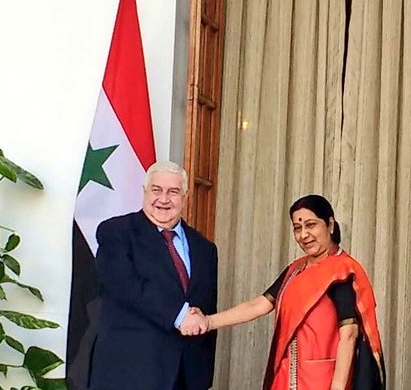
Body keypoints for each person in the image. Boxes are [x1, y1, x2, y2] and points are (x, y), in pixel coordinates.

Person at [186, 194, 385, 390]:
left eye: (311, 225)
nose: (304, 235)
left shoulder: (342, 270)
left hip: (322, 380)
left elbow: (349, 334)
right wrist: (208, 321)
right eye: (298, 228)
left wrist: (338, 387)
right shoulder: (295, 269)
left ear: (330, 225)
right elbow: (259, 305)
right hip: (287, 376)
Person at [88, 161, 218, 390]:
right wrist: (179, 315)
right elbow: (124, 286)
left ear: (185, 196)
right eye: (156, 190)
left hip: (187, 376)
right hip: (129, 373)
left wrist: (204, 375)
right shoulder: (116, 233)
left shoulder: (205, 249)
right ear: (145, 192)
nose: (164, 199)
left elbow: (206, 310)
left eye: (173, 192)